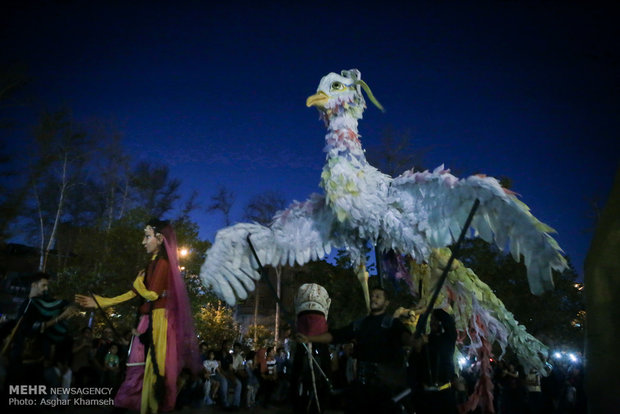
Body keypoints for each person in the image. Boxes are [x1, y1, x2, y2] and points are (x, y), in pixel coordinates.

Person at [75, 219, 202, 414]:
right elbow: (135, 292)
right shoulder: (152, 263)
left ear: (159, 239)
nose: (143, 241)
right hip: (148, 320)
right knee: (137, 366)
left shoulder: (162, 263)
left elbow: (151, 294)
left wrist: (138, 285)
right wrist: (101, 301)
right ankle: (129, 404)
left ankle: (140, 406)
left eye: (147, 236)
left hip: (159, 320)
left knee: (148, 367)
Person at [297, 286, 412, 414]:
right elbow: (336, 335)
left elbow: (405, 337)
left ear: (386, 303)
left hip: (386, 389)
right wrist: (309, 338)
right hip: (362, 387)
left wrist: (414, 341)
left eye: (378, 296)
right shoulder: (360, 324)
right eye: (372, 296)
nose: (373, 298)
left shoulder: (392, 324)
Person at [3, 272, 78, 396]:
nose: (46, 289)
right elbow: (29, 328)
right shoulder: (28, 305)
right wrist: (59, 318)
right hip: (21, 360)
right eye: (43, 285)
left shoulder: (40, 304)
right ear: (34, 285)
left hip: (36, 361)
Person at [409, 308, 458, 414]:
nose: (432, 323)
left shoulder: (447, 339)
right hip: (426, 396)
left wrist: (436, 311)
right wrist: (418, 348)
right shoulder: (424, 340)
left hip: (444, 394)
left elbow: (450, 327)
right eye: (431, 319)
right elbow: (414, 364)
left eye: (436, 320)